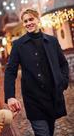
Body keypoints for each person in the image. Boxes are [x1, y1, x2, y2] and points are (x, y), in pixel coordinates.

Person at [4, 8, 69, 136]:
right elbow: (10, 71)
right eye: (25, 21)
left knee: (50, 131)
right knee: (42, 133)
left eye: (31, 19)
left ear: (38, 19)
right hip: (33, 99)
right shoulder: (18, 45)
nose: (28, 23)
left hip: (53, 97)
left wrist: (63, 81)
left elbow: (63, 64)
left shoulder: (52, 41)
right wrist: (10, 96)